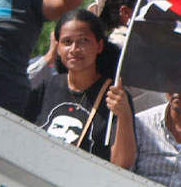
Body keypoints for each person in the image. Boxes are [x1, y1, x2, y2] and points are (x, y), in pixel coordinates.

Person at [25, 10, 135, 168]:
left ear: (99, 46)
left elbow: (122, 164)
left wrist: (124, 116)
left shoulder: (115, 97)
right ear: (58, 46)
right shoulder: (45, 87)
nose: (75, 49)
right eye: (67, 42)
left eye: (84, 41)